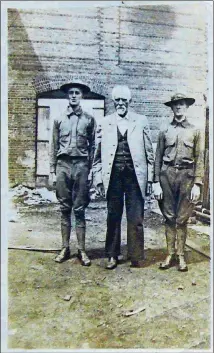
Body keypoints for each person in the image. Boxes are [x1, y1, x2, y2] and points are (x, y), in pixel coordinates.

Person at [92, 85, 154, 269]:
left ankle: (135, 255)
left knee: (135, 217)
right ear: (113, 102)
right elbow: (97, 156)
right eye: (117, 100)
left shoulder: (141, 121)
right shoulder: (104, 122)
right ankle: (112, 254)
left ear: (129, 102)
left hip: (135, 177)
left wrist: (150, 179)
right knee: (113, 215)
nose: (120, 103)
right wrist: (98, 179)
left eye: (124, 100)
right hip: (113, 177)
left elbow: (150, 154)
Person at [153, 93, 204, 272]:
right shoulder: (164, 129)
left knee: (182, 218)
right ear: (172, 108)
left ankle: (181, 255)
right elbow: (157, 156)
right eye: (175, 105)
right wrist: (155, 182)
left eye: (182, 104)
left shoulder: (195, 130)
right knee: (168, 216)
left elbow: (200, 158)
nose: (179, 107)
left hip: (186, 177)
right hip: (167, 175)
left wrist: (197, 184)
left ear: (187, 107)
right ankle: (169, 254)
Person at [49, 81, 96, 265]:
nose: (74, 95)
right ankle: (64, 248)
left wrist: (91, 170)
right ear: (67, 96)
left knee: (79, 209)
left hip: (82, 166)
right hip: (63, 165)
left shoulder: (89, 119)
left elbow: (93, 147)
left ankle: (82, 250)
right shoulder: (58, 119)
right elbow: (53, 146)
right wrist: (53, 170)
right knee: (64, 208)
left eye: (77, 93)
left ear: (82, 96)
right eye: (71, 93)